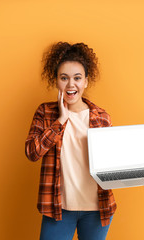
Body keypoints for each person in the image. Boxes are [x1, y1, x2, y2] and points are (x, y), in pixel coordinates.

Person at [25, 42, 117, 240]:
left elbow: (110, 165)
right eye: (64, 78)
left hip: (97, 209)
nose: (70, 85)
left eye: (77, 78)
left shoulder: (101, 117)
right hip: (58, 209)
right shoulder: (45, 113)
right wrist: (60, 121)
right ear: (56, 80)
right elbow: (32, 152)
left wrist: (125, 168)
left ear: (85, 81)